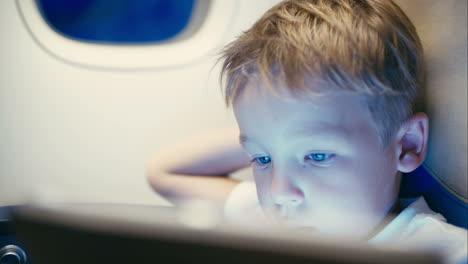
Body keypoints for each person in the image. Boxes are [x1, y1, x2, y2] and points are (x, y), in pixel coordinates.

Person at [147, 0, 467, 262]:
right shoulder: (280, 221)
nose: (278, 193)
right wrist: (275, 131)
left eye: (316, 155)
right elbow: (165, 172)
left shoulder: (445, 253)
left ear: (407, 145)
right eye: (261, 159)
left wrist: (275, 140)